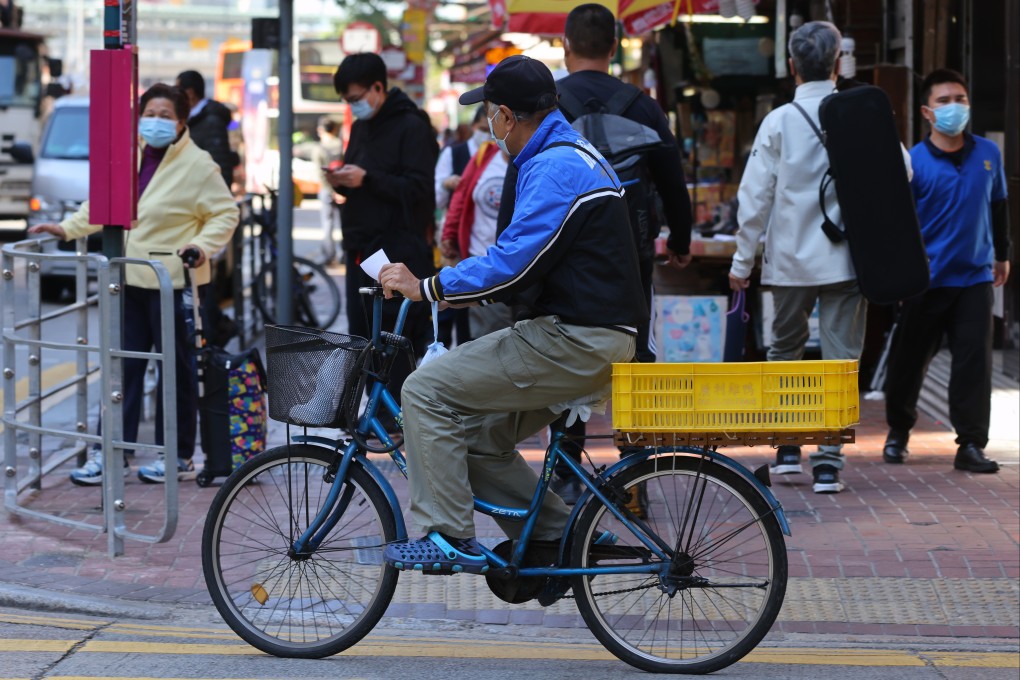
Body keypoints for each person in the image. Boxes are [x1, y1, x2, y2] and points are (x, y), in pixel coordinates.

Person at [376, 55, 646, 574]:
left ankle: (448, 534)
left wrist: (428, 287)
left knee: (423, 391)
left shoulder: (555, 166)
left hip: (575, 338)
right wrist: (443, 287)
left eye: (490, 117)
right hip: (593, 336)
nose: (490, 128)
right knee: (479, 441)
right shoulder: (571, 154)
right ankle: (557, 536)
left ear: (506, 114)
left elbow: (513, 264)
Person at [525, 4, 695, 505]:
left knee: (561, 355)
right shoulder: (643, 106)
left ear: (565, 46)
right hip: (632, 258)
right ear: (616, 48)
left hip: (557, 262)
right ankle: (632, 470)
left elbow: (522, 187)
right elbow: (674, 185)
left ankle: (565, 465)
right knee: (633, 355)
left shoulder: (547, 107)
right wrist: (680, 243)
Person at [29, 83, 239, 485]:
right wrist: (67, 228)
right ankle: (111, 452)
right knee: (122, 369)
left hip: (173, 280)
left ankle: (176, 456)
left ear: (181, 122)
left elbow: (225, 214)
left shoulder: (199, 165)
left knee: (174, 371)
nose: (156, 122)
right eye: (150, 114)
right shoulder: (130, 155)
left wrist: (200, 245)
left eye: (165, 116)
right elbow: (103, 203)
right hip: (129, 278)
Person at [729, 21, 872, 494]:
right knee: (839, 359)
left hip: (789, 261)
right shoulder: (859, 114)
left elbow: (754, 200)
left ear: (792, 67)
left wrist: (741, 264)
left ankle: (789, 448)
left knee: (784, 351)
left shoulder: (779, 122)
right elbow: (902, 169)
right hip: (847, 261)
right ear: (837, 65)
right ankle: (828, 462)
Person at [882, 69, 1011, 473]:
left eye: (960, 98)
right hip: (926, 280)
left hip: (974, 277)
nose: (954, 106)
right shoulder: (913, 162)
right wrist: (900, 274)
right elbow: (898, 224)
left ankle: (970, 444)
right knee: (908, 362)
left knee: (974, 363)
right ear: (926, 111)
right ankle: (898, 431)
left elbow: (999, 207)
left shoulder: (989, 154)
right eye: (944, 101)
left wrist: (1003, 255)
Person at [326, 53, 437, 402]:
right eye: (346, 101)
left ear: (378, 87)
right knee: (362, 334)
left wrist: (368, 179)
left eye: (355, 99)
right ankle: (370, 411)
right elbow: (360, 175)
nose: (352, 106)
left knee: (394, 336)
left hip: (397, 251)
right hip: (360, 249)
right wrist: (342, 181)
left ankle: (397, 414)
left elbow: (418, 190)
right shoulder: (360, 126)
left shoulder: (413, 126)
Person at [439, 140, 514, 337]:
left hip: (511, 265)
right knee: (485, 335)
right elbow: (462, 194)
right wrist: (449, 233)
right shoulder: (486, 154)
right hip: (478, 260)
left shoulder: (534, 160)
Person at [176, 71, 236, 189]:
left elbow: (220, 162)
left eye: (179, 90)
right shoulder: (191, 119)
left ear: (190, 93)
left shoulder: (212, 121)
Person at [311, 116, 343, 266]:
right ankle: (344, 254)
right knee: (343, 223)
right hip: (343, 190)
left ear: (320, 130)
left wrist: (330, 190)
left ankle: (329, 255)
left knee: (327, 224)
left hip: (327, 191)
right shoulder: (341, 145)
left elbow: (320, 173)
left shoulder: (319, 149)